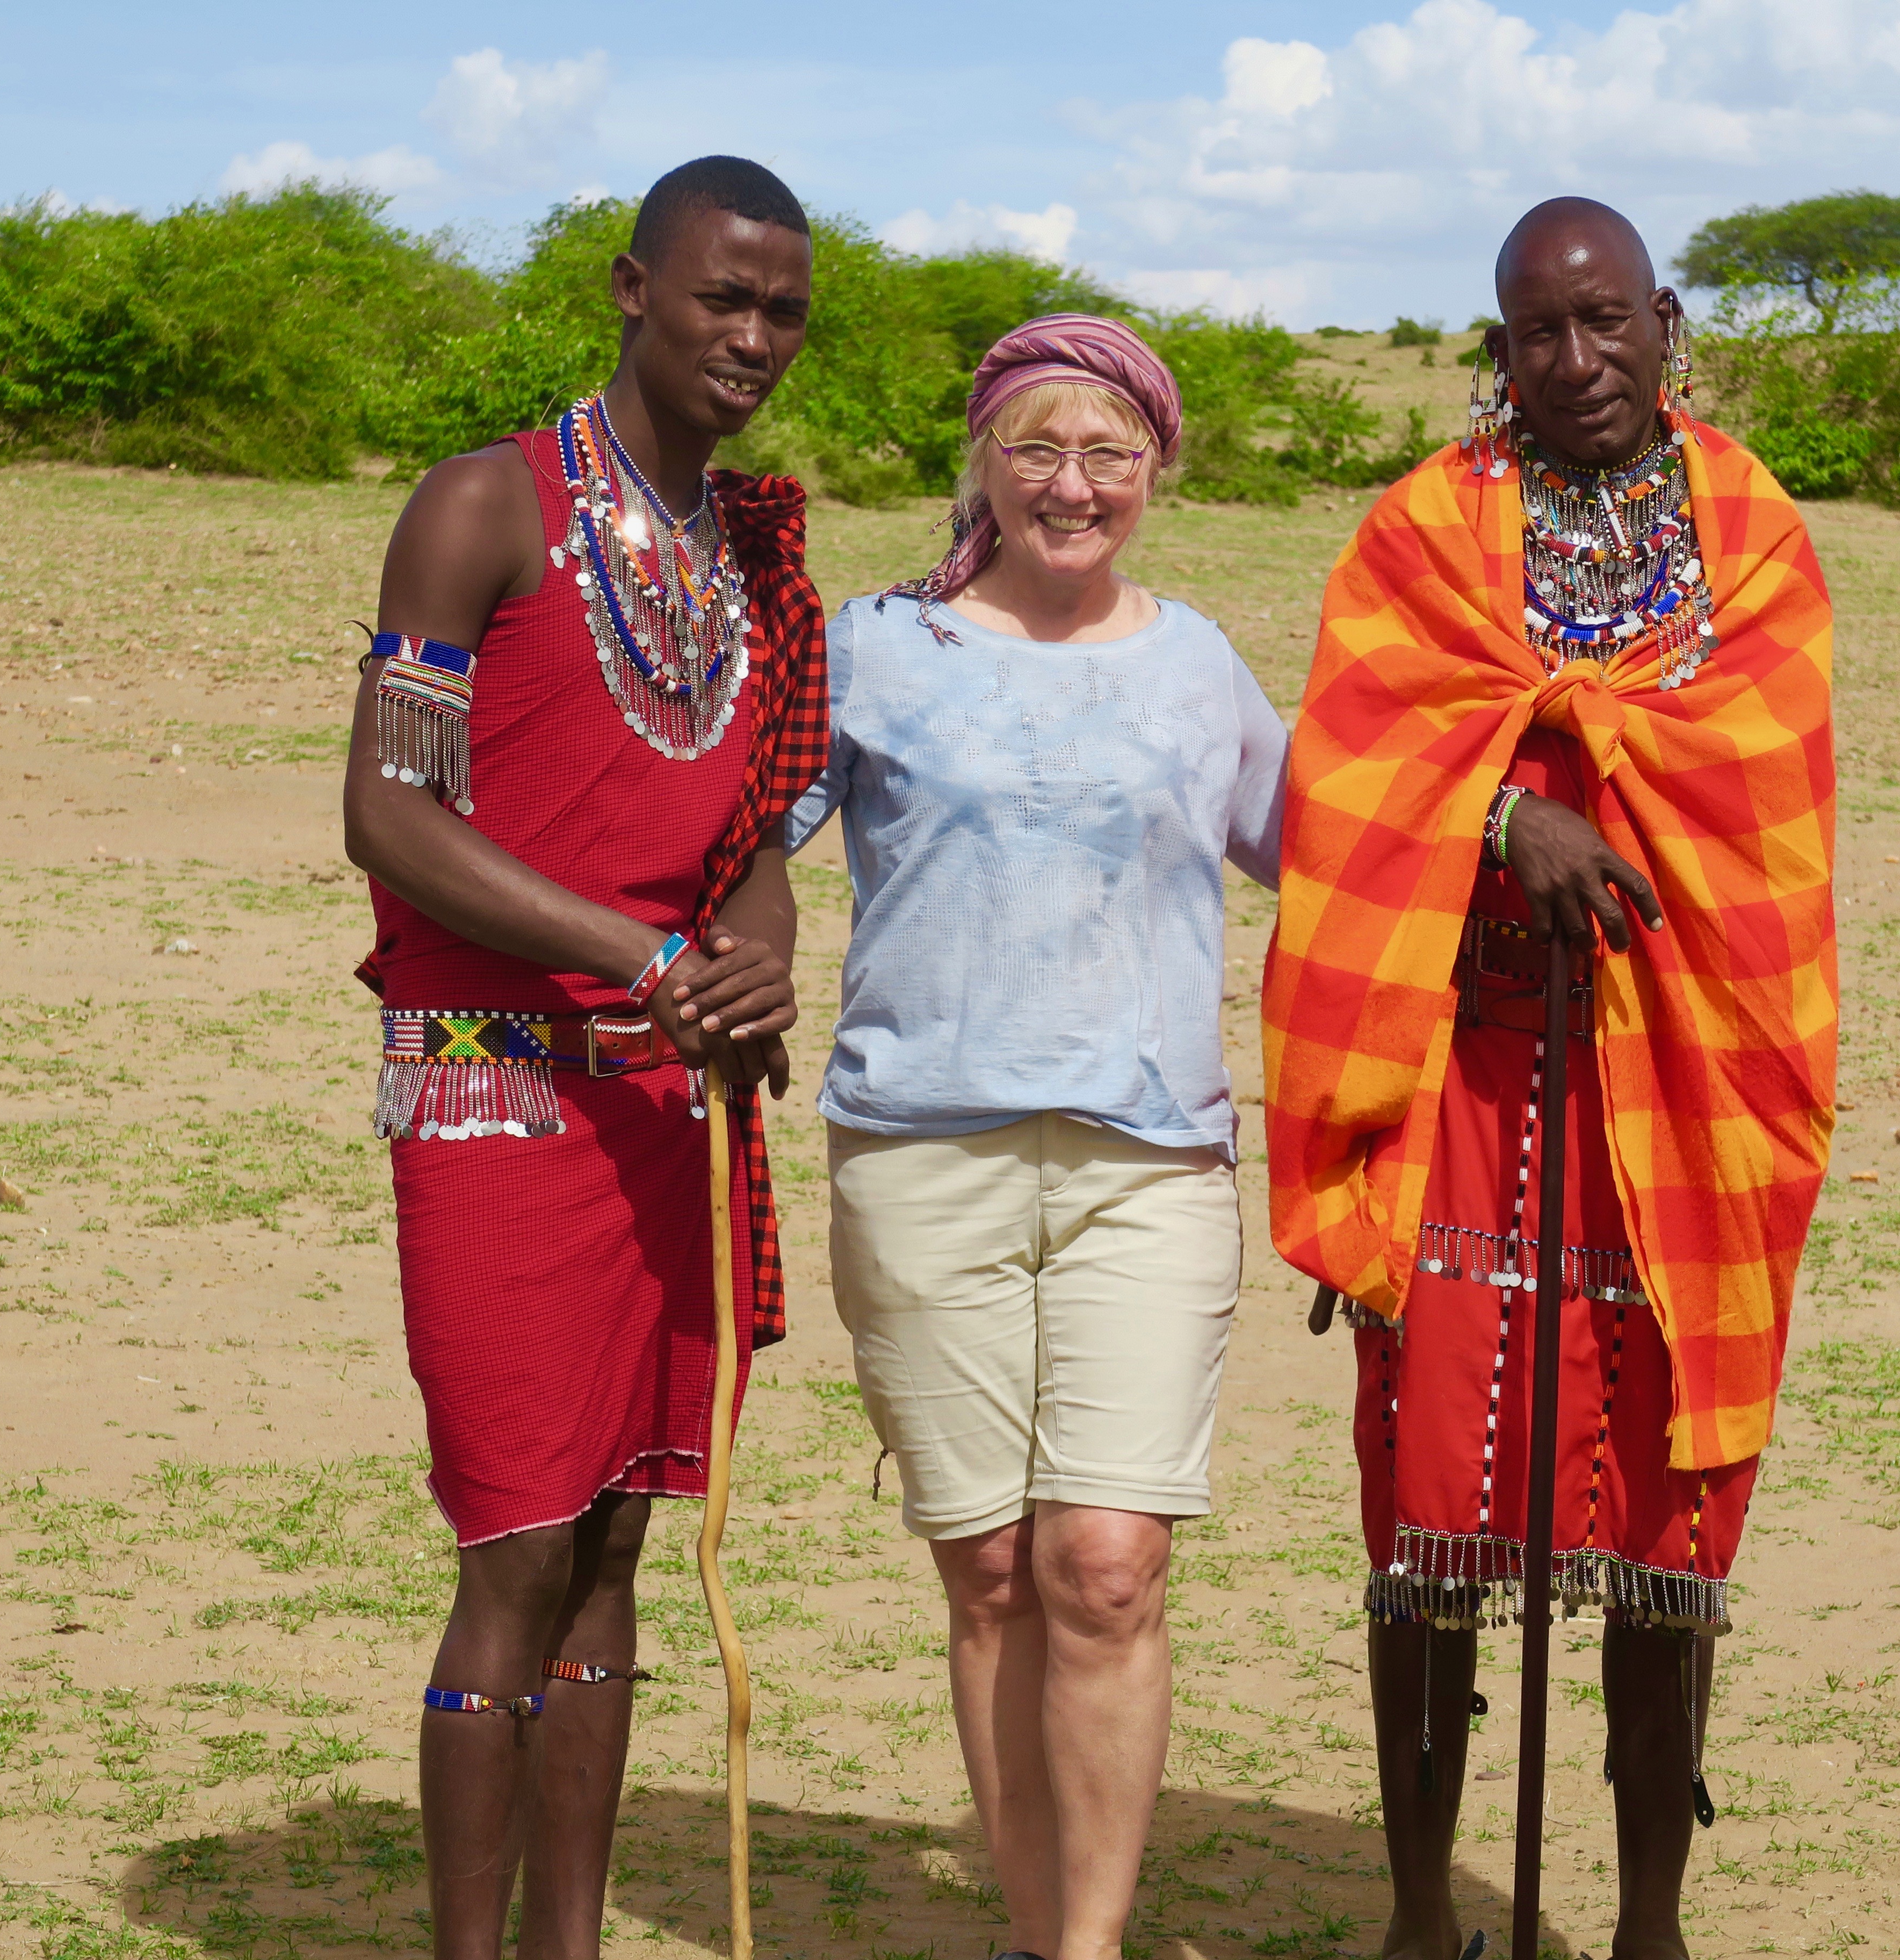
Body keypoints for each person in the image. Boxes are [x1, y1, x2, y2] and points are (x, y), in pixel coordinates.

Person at [1263, 199, 1836, 1960]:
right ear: (1493, 348)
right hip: (1463, 1078)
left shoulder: (1752, 536)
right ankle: (1424, 1913)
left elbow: (1760, 795)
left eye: (1602, 324)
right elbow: (1347, 770)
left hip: (1682, 1073)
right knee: (1430, 1506)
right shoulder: (1429, 530)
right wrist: (1508, 815)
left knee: (1666, 1512)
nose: (1573, 364)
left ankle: (1648, 1924)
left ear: (1659, 320)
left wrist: (1603, 785)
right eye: (1534, 333)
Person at [342, 156, 828, 1959]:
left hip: (667, 1105)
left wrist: (756, 968)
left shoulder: (758, 559)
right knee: (517, 1545)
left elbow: (760, 822)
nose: (751, 337)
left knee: (623, 1537)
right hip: (494, 1083)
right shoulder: (481, 506)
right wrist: (646, 954)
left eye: (781, 310)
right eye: (721, 298)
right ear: (634, 290)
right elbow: (388, 812)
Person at [784, 314, 1287, 1960]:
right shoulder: (872, 648)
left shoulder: (1198, 664)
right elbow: (723, 837)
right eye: (1037, 451)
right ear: (982, 467)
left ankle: (1088, 1946)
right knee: (993, 1572)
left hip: (1148, 1167)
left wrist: (1524, 810)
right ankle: (1026, 1933)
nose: (1072, 487)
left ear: (1156, 470)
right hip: (920, 1156)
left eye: (1109, 455)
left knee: (1107, 1561)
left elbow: (1341, 852)